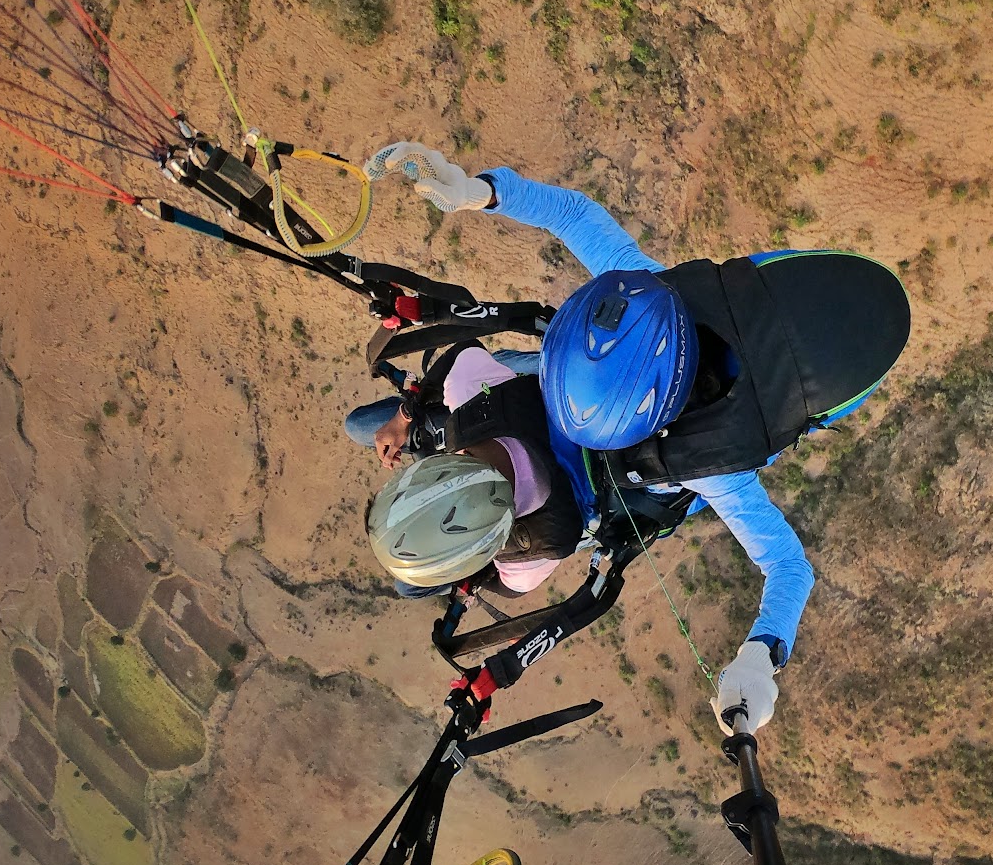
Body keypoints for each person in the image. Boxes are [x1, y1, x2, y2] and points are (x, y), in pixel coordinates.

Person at [355, 142, 908, 735]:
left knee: (378, 429)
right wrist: (759, 654)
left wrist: (482, 193)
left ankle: (422, 508)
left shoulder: (706, 457)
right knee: (398, 513)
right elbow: (785, 567)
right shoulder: (648, 307)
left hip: (800, 323)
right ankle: (428, 558)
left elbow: (790, 568)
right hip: (806, 307)